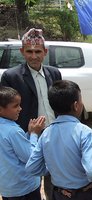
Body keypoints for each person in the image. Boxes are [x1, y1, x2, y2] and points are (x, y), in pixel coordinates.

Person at [26, 80, 92, 200]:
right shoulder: (84, 132)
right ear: (76, 105)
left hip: (59, 194)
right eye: (81, 100)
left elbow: (32, 167)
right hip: (84, 194)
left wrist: (54, 168)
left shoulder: (46, 133)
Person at [0, 28, 62, 200]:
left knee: (54, 177)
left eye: (38, 52)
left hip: (52, 133)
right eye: (29, 51)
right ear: (22, 52)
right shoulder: (11, 76)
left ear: (45, 52)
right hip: (27, 137)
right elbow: (6, 107)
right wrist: (29, 134)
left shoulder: (54, 73)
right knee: (32, 178)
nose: (33, 56)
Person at [0, 86, 45, 200]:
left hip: (7, 188)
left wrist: (28, 134)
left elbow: (11, 147)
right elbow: (30, 157)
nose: (20, 109)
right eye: (15, 106)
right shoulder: (13, 130)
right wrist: (34, 134)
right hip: (23, 188)